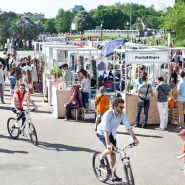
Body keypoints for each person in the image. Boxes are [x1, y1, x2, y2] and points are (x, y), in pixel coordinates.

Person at [96, 98, 139, 182]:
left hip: (112, 133)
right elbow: (106, 130)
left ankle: (113, 174)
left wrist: (134, 138)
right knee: (110, 149)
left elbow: (128, 127)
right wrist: (108, 144)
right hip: (102, 132)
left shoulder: (122, 114)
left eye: (123, 107)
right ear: (114, 106)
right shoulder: (108, 114)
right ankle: (101, 157)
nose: (122, 109)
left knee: (113, 155)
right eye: (120, 107)